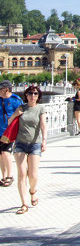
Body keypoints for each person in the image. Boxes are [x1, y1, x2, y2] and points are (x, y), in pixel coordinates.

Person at [9, 84, 47, 214]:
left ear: (38, 96)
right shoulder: (21, 108)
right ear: (26, 95)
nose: (32, 96)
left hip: (35, 144)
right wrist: (15, 115)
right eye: (30, 93)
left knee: (33, 175)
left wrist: (44, 140)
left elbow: (43, 125)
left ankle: (33, 191)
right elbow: (9, 122)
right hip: (20, 143)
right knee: (21, 174)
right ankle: (24, 203)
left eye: (35, 94)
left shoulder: (41, 108)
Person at [0, 80, 23, 187]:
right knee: (1, 155)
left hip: (10, 132)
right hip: (0, 130)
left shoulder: (15, 100)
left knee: (6, 153)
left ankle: (9, 175)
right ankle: (3, 176)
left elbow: (22, 115)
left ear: (6, 89)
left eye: (1, 89)